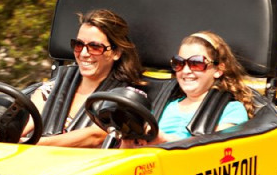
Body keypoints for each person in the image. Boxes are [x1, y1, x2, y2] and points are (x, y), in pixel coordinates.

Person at [25, 8, 144, 147]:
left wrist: (34, 144)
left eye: (95, 47)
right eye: (79, 45)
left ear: (116, 52)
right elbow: (27, 122)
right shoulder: (50, 89)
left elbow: (95, 136)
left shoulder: (125, 99)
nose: (83, 53)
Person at [130, 31, 254, 146]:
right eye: (179, 63)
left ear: (218, 70)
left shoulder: (232, 110)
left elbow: (219, 151)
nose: (186, 70)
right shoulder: (163, 106)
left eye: (196, 63)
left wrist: (164, 139)